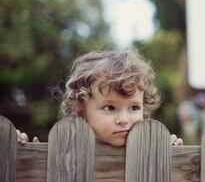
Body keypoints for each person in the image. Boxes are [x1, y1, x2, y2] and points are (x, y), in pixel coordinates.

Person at [16, 49, 183, 146]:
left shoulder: (150, 152)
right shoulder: (66, 154)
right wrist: (32, 168)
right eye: (109, 107)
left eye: (134, 107)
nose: (123, 120)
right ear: (81, 112)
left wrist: (171, 161)